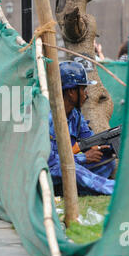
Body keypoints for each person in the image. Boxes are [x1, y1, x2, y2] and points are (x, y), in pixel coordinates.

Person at [48, 61, 116, 196]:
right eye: (83, 89)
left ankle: (69, 189)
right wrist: (83, 158)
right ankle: (116, 189)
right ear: (72, 92)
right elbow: (49, 162)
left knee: (107, 162)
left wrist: (107, 145)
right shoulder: (48, 117)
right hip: (51, 170)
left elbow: (89, 139)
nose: (86, 94)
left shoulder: (75, 115)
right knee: (73, 169)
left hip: (69, 164)